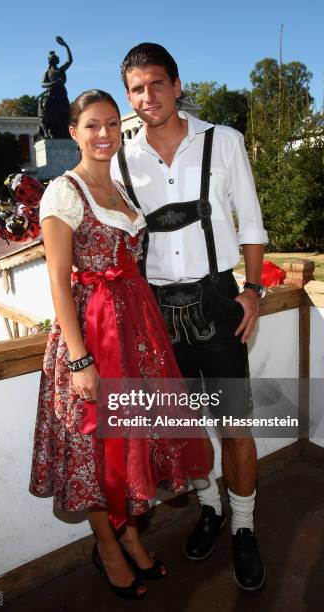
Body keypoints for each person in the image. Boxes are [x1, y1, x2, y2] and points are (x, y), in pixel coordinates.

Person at [29, 89, 211, 600]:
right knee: (97, 451)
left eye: (112, 123)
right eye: (92, 125)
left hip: (137, 337)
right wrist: (82, 359)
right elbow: (60, 282)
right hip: (92, 338)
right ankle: (109, 549)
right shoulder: (64, 192)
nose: (104, 133)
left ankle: (130, 535)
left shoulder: (122, 196)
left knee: (132, 446)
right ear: (74, 132)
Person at [111, 42, 269, 591]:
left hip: (218, 300)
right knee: (184, 426)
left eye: (157, 83)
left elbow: (250, 220)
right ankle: (211, 509)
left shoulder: (223, 141)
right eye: (136, 88)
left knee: (236, 426)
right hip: (157, 309)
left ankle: (244, 527)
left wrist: (252, 290)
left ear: (177, 86)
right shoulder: (121, 159)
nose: (147, 96)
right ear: (128, 97)